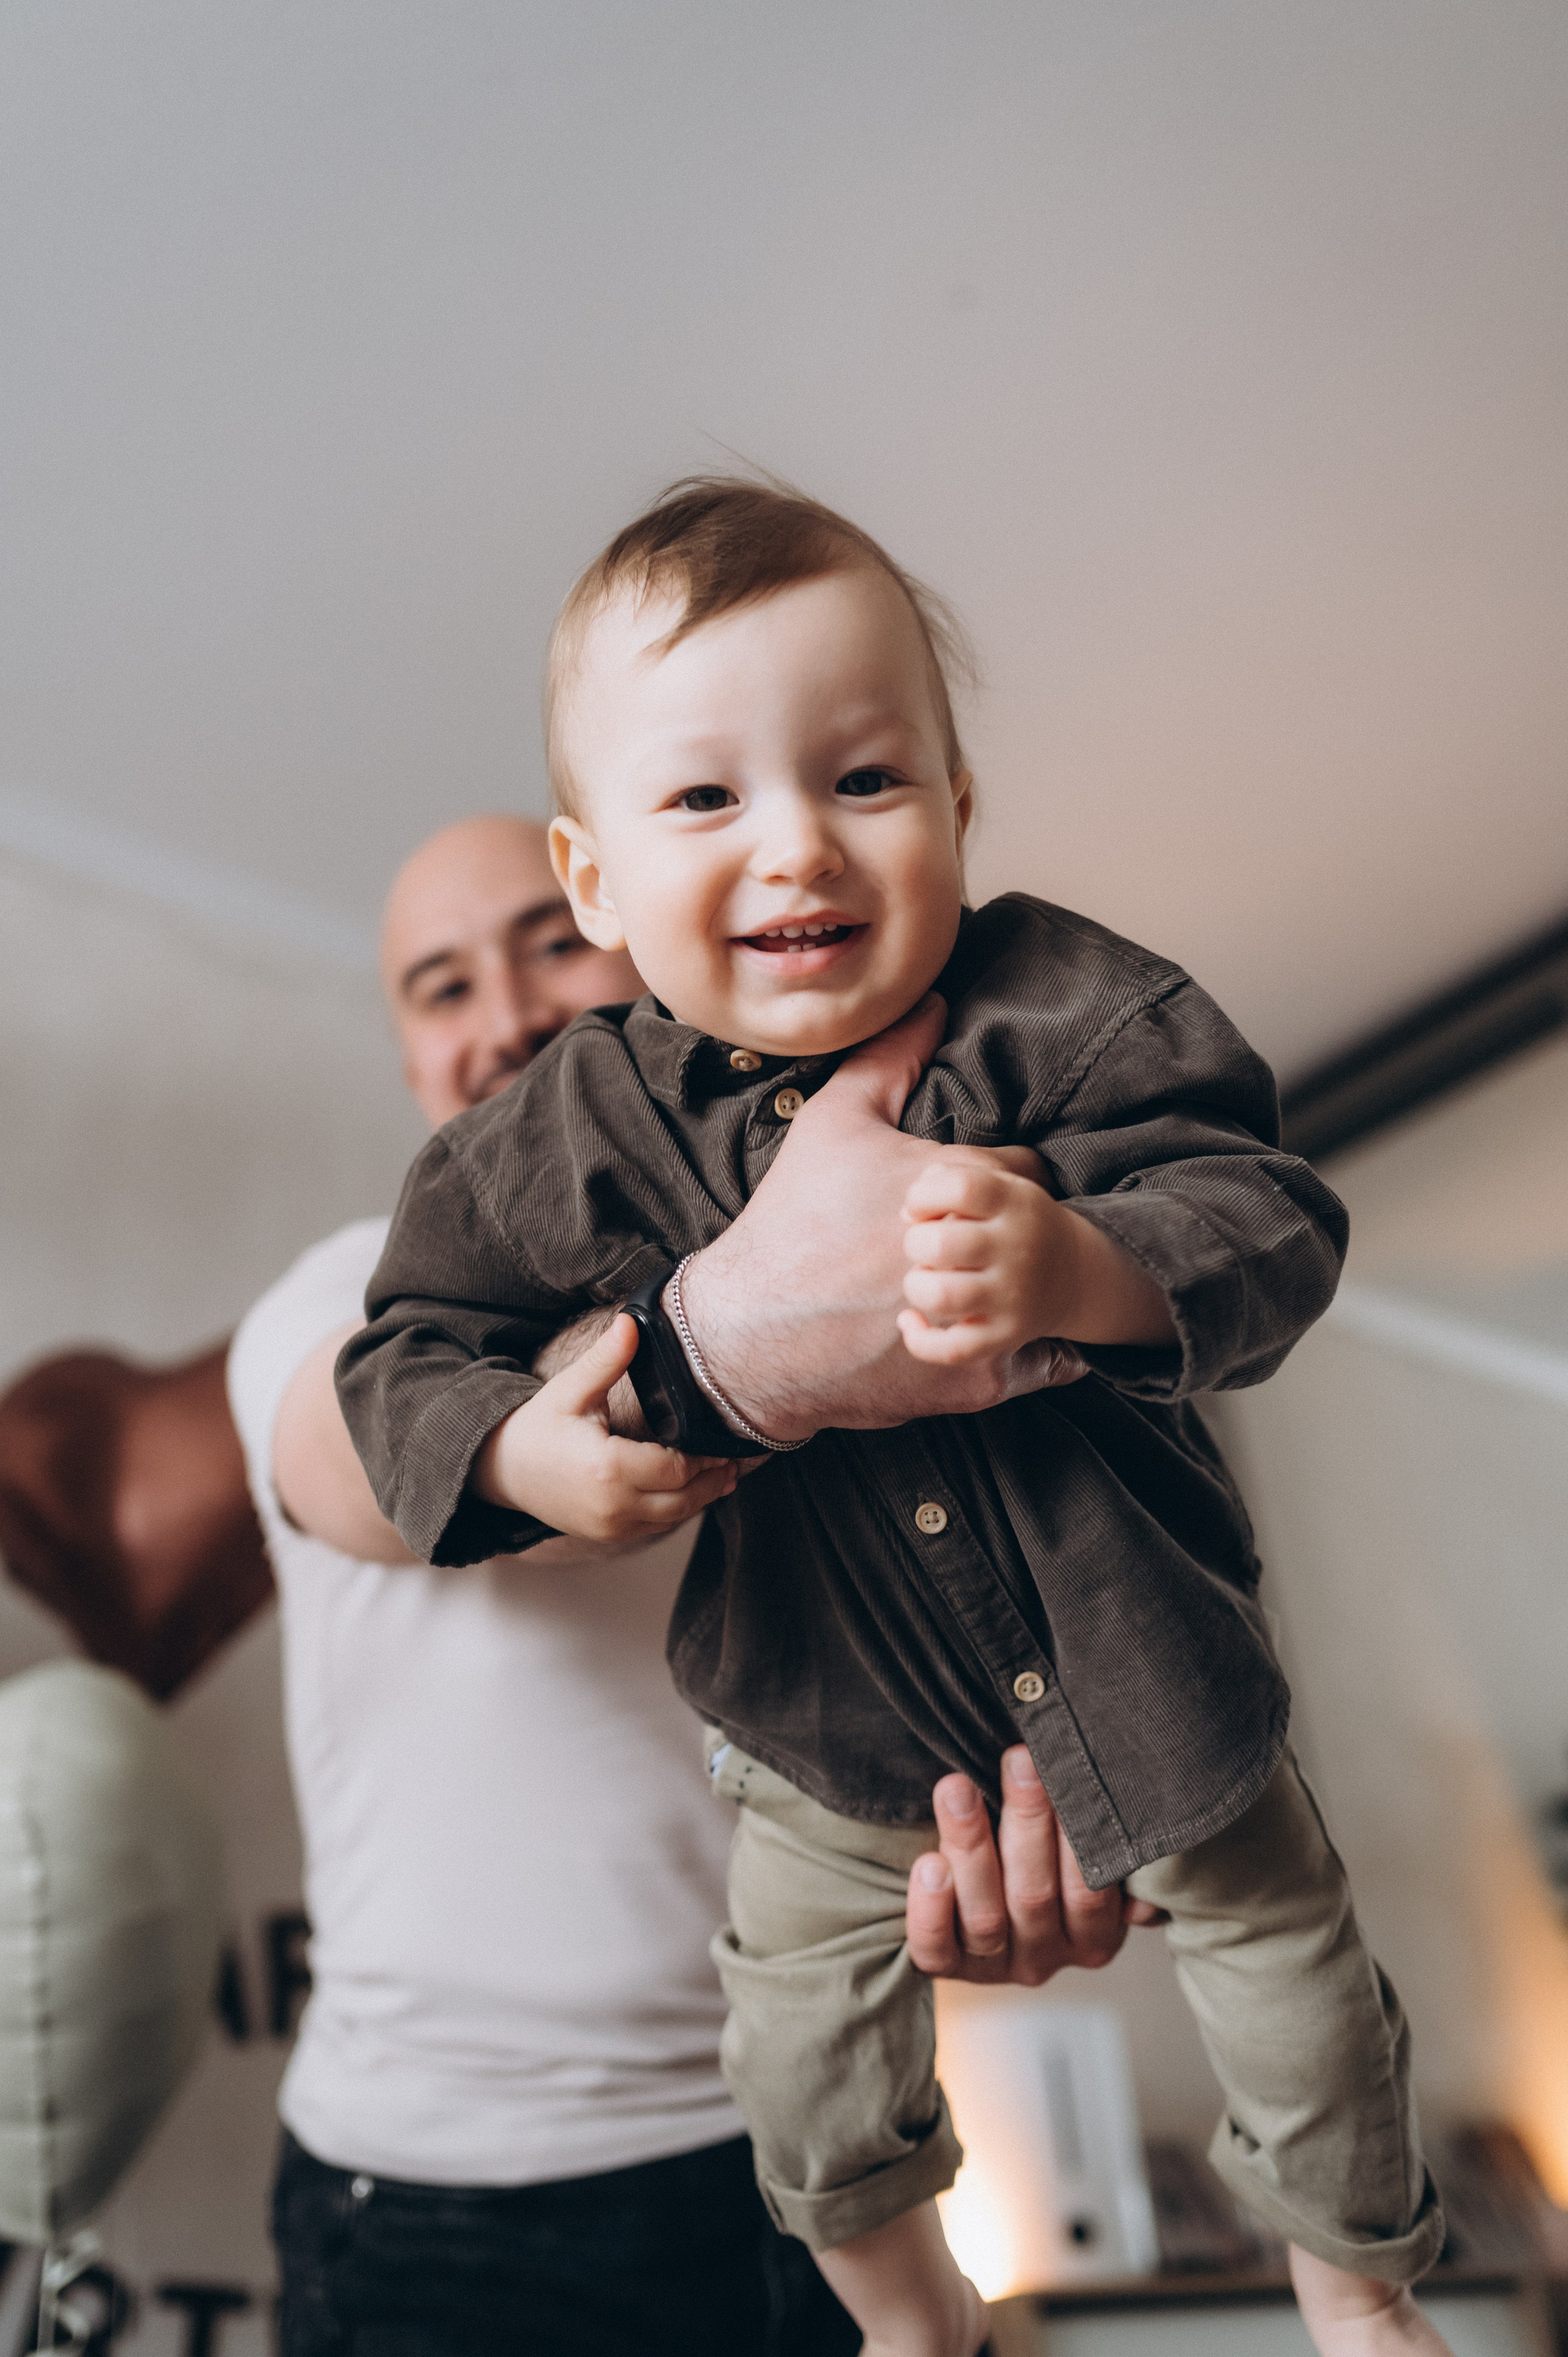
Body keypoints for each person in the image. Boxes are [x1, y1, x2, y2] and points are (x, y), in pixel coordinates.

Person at [339, 482, 1450, 2357]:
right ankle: (910, 2320)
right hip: (819, 1720)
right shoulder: (555, 1148)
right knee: (802, 2052)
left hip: (1140, 1664)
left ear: (955, 808)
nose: (800, 851)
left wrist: (1090, 1271)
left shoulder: (1066, 1012)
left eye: (864, 780)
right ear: (598, 873)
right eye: (706, 800)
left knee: (1297, 1979)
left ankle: (1358, 2296)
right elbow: (395, 1366)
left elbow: (1273, 1213)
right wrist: (523, 1450)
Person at [236, 812, 1152, 2357]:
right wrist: (748, 1324)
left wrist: (1032, 1850)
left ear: (654, 945)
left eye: (548, 942)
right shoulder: (340, 1299)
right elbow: (382, 1468)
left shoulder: (887, 1273)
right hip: (440, 2213)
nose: (509, 1014)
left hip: (827, 2152)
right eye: (440, 987)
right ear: (410, 1059)